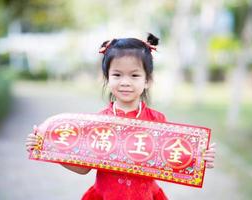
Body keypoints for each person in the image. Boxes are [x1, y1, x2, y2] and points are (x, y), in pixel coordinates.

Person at [25, 33, 216, 200]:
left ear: (147, 80)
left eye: (134, 75)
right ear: (108, 79)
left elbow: (172, 161)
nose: (125, 82)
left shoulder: (158, 122)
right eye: (117, 75)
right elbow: (83, 168)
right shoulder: (97, 123)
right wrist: (47, 147)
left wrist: (199, 157)